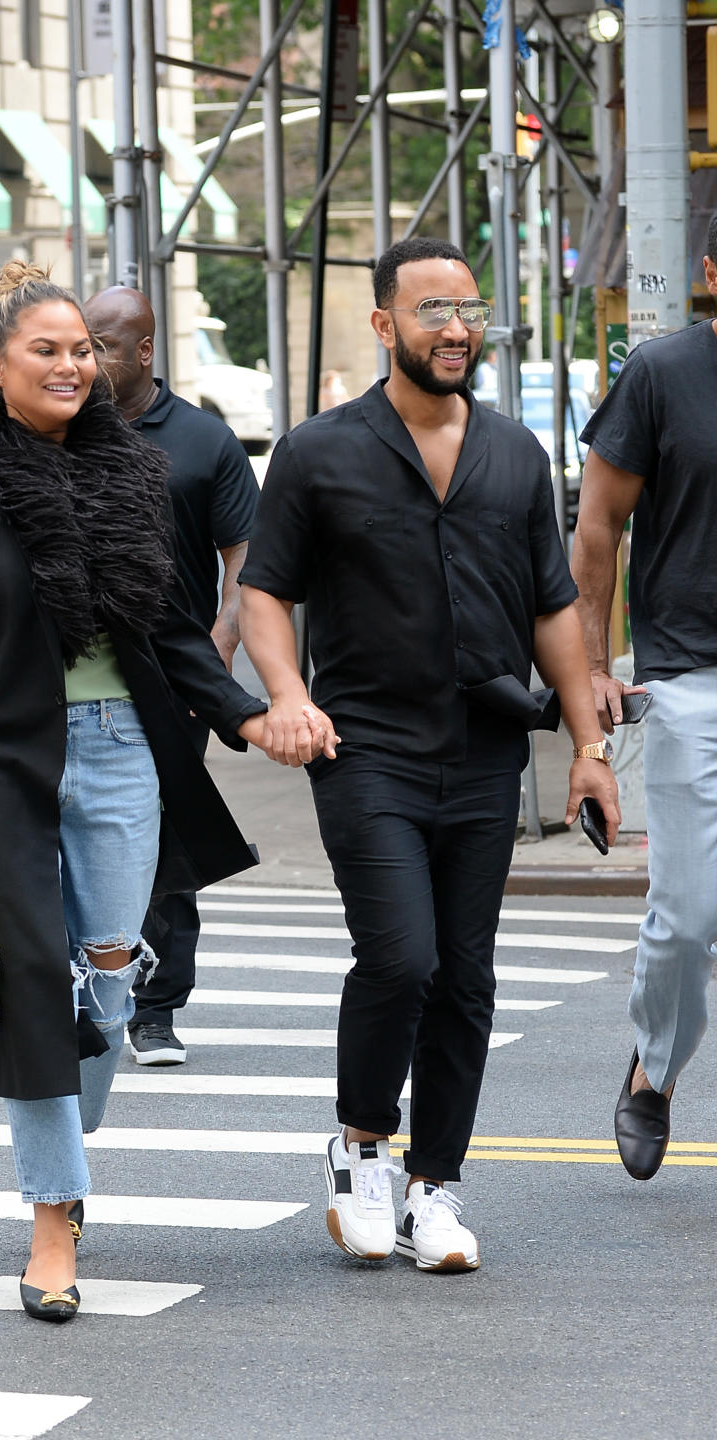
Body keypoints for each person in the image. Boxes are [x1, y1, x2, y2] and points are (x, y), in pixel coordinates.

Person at [0, 260, 314, 1323]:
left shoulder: (133, 471)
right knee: (34, 977)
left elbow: (170, 626)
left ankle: (93, 1055)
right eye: (47, 350)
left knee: (112, 968)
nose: (72, 365)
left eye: (82, 350)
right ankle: (55, 1220)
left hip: (124, 742)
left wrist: (246, 714)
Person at [239, 236, 620, 1269]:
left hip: (488, 747)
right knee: (402, 956)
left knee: (465, 975)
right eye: (433, 311)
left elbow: (554, 609)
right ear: (383, 325)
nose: (457, 329)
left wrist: (589, 745)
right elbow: (264, 587)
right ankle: (362, 1148)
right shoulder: (320, 451)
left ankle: (434, 1189)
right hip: (366, 748)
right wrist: (286, 693)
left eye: (469, 310)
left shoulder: (513, 452)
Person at [572, 219, 717, 1182]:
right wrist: (588, 666)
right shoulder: (664, 373)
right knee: (692, 913)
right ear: (712, 273)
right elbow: (597, 525)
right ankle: (652, 1073)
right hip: (690, 675)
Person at [82, 285, 260, 1067]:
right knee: (81, 833)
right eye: (80, 342)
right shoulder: (62, 432)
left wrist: (220, 650)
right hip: (79, 678)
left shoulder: (203, 441)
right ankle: (82, 989)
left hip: (176, 678)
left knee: (162, 838)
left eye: (104, 345)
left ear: (145, 350)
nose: (89, 359)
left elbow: (246, 561)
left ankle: (155, 1010)